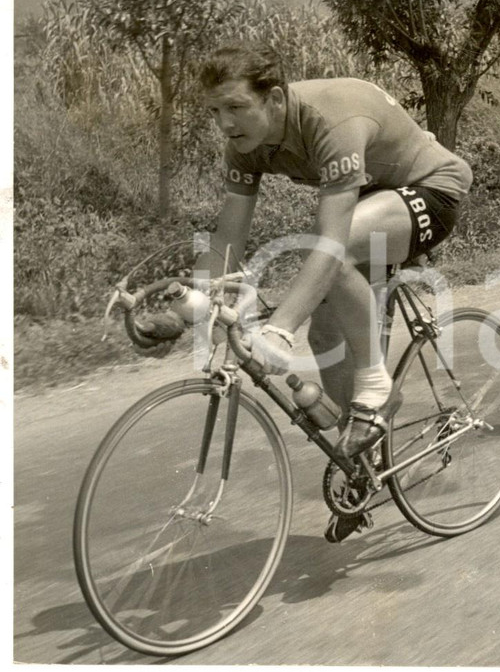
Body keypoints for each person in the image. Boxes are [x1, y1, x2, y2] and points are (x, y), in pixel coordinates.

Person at [140, 41, 472, 540]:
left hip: (430, 188)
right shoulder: (244, 145)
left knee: (328, 255)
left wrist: (279, 329)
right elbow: (228, 238)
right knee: (327, 342)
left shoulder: (329, 120)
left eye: (235, 107)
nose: (225, 123)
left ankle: (378, 386)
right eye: (214, 111)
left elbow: (332, 244)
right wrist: (194, 302)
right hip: (369, 199)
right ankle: (360, 469)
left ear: (274, 99)